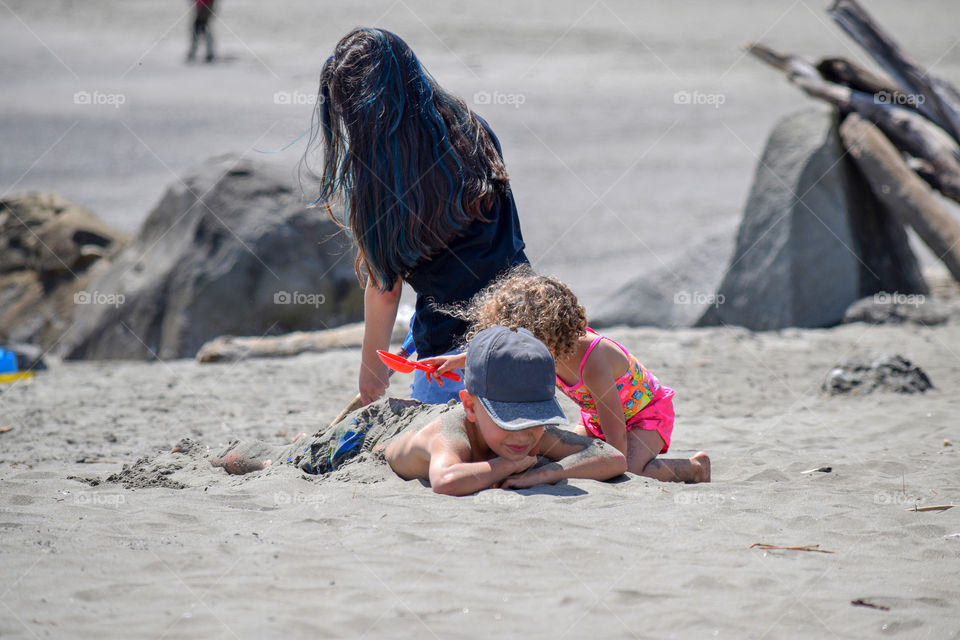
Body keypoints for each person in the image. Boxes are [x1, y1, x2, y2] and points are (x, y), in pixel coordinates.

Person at [302, 28, 528, 406]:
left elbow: (386, 290)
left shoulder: (377, 179)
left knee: (430, 454)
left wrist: (371, 375)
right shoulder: (474, 129)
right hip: (523, 338)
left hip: (448, 359)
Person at [422, 270, 711, 484]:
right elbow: (498, 353)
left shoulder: (593, 363)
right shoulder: (547, 351)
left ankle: (694, 468)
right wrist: (457, 360)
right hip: (594, 416)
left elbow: (616, 449)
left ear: (548, 338)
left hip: (645, 414)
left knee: (628, 469)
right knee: (556, 455)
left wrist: (608, 460)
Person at [384, 326, 627, 495]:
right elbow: (445, 481)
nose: (522, 435)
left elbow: (613, 458)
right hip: (383, 435)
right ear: (470, 407)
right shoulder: (450, 435)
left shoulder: (534, 436)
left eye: (534, 418)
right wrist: (509, 465)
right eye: (507, 419)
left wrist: (544, 474)